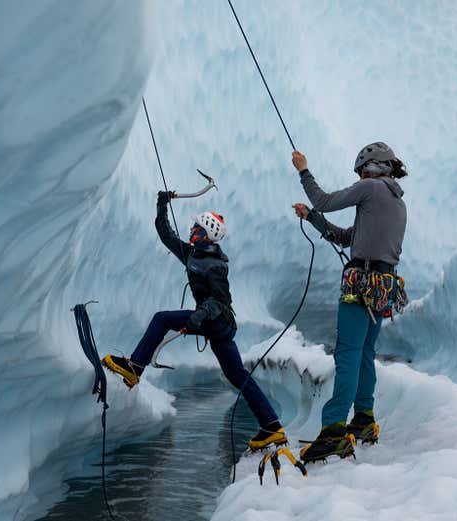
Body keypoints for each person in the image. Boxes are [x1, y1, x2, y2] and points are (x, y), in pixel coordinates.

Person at [102, 191, 286, 451]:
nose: (192, 230)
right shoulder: (192, 254)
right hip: (213, 325)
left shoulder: (215, 266)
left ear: (205, 233)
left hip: (217, 322)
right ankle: (272, 427)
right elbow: (167, 236)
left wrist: (199, 315)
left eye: (196, 227)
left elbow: (221, 302)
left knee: (162, 319)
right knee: (238, 376)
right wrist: (161, 205)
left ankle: (134, 368)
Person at [290, 142, 409, 462]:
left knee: (347, 355)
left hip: (361, 284)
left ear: (372, 167)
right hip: (383, 287)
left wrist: (304, 170)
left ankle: (333, 431)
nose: (358, 177)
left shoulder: (371, 188)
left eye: (361, 171)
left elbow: (325, 200)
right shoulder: (397, 202)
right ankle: (364, 420)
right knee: (365, 354)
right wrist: (312, 218)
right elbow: (346, 237)